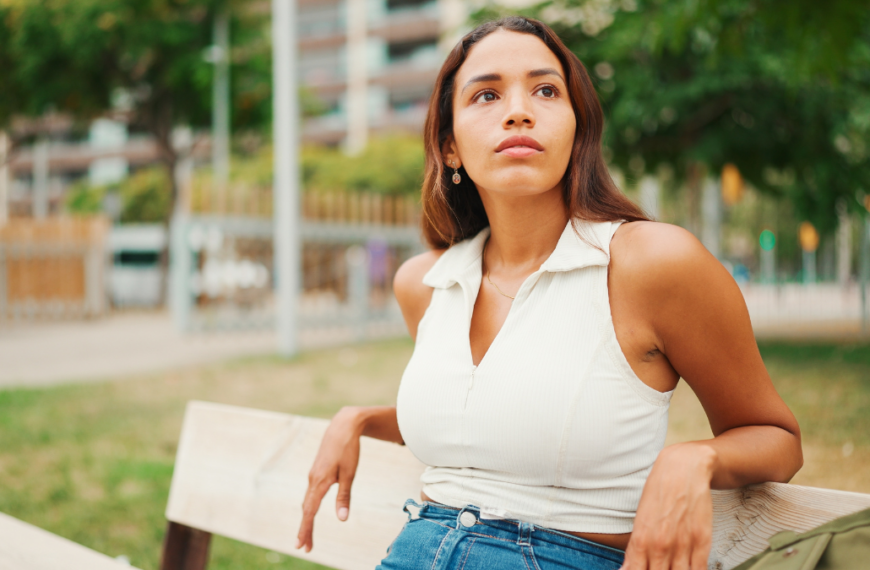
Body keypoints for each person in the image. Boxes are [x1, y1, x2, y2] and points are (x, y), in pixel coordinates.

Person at [296, 16, 802, 570]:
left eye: (545, 90)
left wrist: (692, 459)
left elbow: (777, 438)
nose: (518, 110)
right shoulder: (425, 282)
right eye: (486, 94)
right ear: (449, 148)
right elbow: (491, 415)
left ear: (576, 129)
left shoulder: (653, 263)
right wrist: (364, 419)